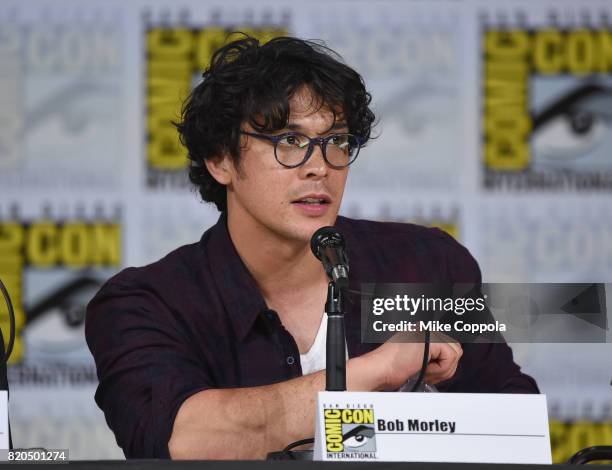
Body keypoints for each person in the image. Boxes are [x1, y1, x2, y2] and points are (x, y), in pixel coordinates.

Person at [85, 36, 538, 460]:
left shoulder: (424, 264)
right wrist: (378, 372)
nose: (319, 167)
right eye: (290, 142)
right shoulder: (148, 303)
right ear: (220, 159)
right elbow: (178, 438)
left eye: (336, 142)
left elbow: (514, 425)